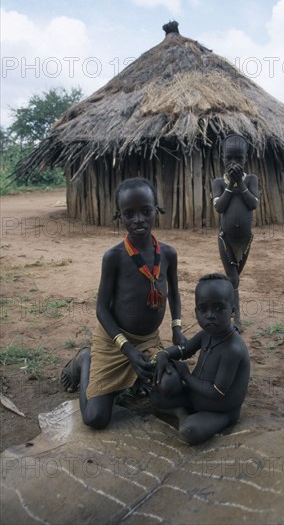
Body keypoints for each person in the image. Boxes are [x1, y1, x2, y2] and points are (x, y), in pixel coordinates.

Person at [61, 177, 186, 429]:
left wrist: (176, 328)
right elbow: (101, 309)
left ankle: (136, 380)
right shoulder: (114, 257)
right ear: (119, 216)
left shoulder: (168, 254)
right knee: (95, 419)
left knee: (171, 385)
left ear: (156, 210)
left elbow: (173, 293)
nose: (138, 219)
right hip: (114, 342)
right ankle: (86, 359)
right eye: (129, 213)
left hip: (149, 341)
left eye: (145, 211)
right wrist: (127, 349)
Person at [151, 273, 250, 445]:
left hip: (220, 409)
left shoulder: (232, 349)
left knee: (189, 431)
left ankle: (183, 414)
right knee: (156, 397)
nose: (210, 315)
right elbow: (184, 350)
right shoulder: (207, 334)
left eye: (219, 308)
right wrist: (163, 354)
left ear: (233, 310)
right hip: (195, 395)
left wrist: (186, 375)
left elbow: (217, 392)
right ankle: (183, 410)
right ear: (196, 312)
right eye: (203, 309)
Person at [212, 134, 259, 332]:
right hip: (226, 240)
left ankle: (228, 306)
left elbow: (253, 204)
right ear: (222, 158)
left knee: (233, 279)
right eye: (229, 158)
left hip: (245, 241)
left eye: (238, 159)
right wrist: (231, 185)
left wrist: (240, 183)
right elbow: (219, 208)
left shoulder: (251, 180)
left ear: (245, 159)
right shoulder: (219, 183)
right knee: (234, 279)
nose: (233, 163)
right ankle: (236, 321)